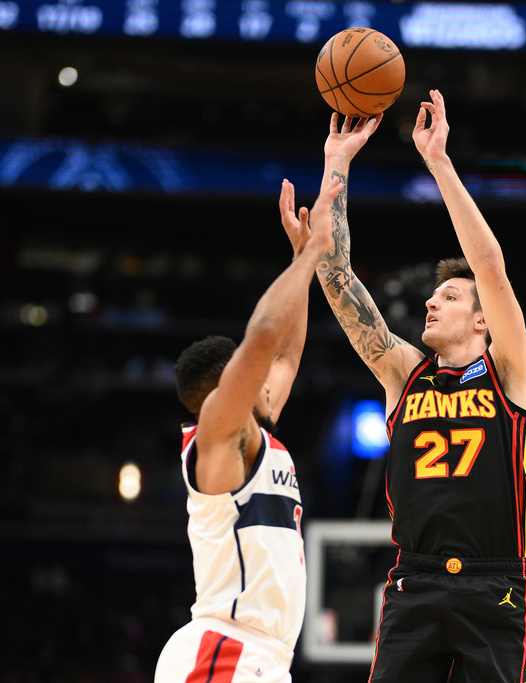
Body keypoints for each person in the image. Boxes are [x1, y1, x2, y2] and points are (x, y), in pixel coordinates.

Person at [311, 90, 526, 682]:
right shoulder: (404, 374)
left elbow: (490, 269)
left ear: (483, 317)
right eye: (433, 295)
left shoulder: (510, 370)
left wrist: (437, 161)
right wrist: (337, 164)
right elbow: (336, 278)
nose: (431, 302)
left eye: (450, 296)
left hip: (496, 583)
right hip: (414, 580)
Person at [154, 177, 343, 683]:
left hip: (262, 657)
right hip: (224, 649)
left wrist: (302, 254)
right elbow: (263, 338)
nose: (269, 383)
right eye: (251, 377)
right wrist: (314, 254)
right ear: (225, 387)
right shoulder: (219, 435)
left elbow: (286, 352)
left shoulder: (254, 434)